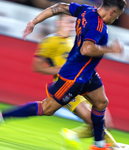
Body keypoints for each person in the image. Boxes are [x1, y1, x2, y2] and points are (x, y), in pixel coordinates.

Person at [0, 1, 126, 150]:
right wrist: (111, 49)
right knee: (47, 108)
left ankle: (99, 145)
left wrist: (34, 21)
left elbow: (59, 7)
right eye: (117, 16)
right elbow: (87, 49)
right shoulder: (98, 26)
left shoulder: (86, 10)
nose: (115, 19)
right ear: (112, 11)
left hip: (87, 73)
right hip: (74, 76)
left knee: (102, 102)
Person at [33, 13, 116, 150]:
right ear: (59, 23)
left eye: (73, 22)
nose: (71, 25)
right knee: (94, 121)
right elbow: (38, 66)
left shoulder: (77, 40)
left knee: (108, 124)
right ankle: (111, 146)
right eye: (68, 22)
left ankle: (73, 135)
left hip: (85, 81)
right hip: (68, 86)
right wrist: (58, 70)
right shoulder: (51, 41)